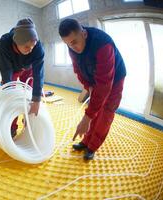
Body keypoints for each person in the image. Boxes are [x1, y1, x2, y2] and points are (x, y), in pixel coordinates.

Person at [58, 18, 126, 160]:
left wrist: (86, 118)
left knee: (106, 112)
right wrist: (88, 86)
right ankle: (85, 141)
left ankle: (93, 146)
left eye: (74, 42)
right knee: (94, 108)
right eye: (68, 44)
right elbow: (78, 69)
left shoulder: (103, 44)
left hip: (114, 79)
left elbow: (105, 84)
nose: (72, 47)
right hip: (95, 79)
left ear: (84, 33)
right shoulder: (71, 46)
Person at [0, 18, 45, 137]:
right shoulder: (4, 42)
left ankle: (29, 122)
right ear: (17, 42)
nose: (30, 50)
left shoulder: (38, 47)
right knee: (11, 98)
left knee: (29, 96)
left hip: (28, 69)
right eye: (27, 47)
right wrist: (9, 91)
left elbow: (38, 74)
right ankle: (11, 127)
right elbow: (6, 70)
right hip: (11, 69)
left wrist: (37, 100)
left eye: (33, 46)